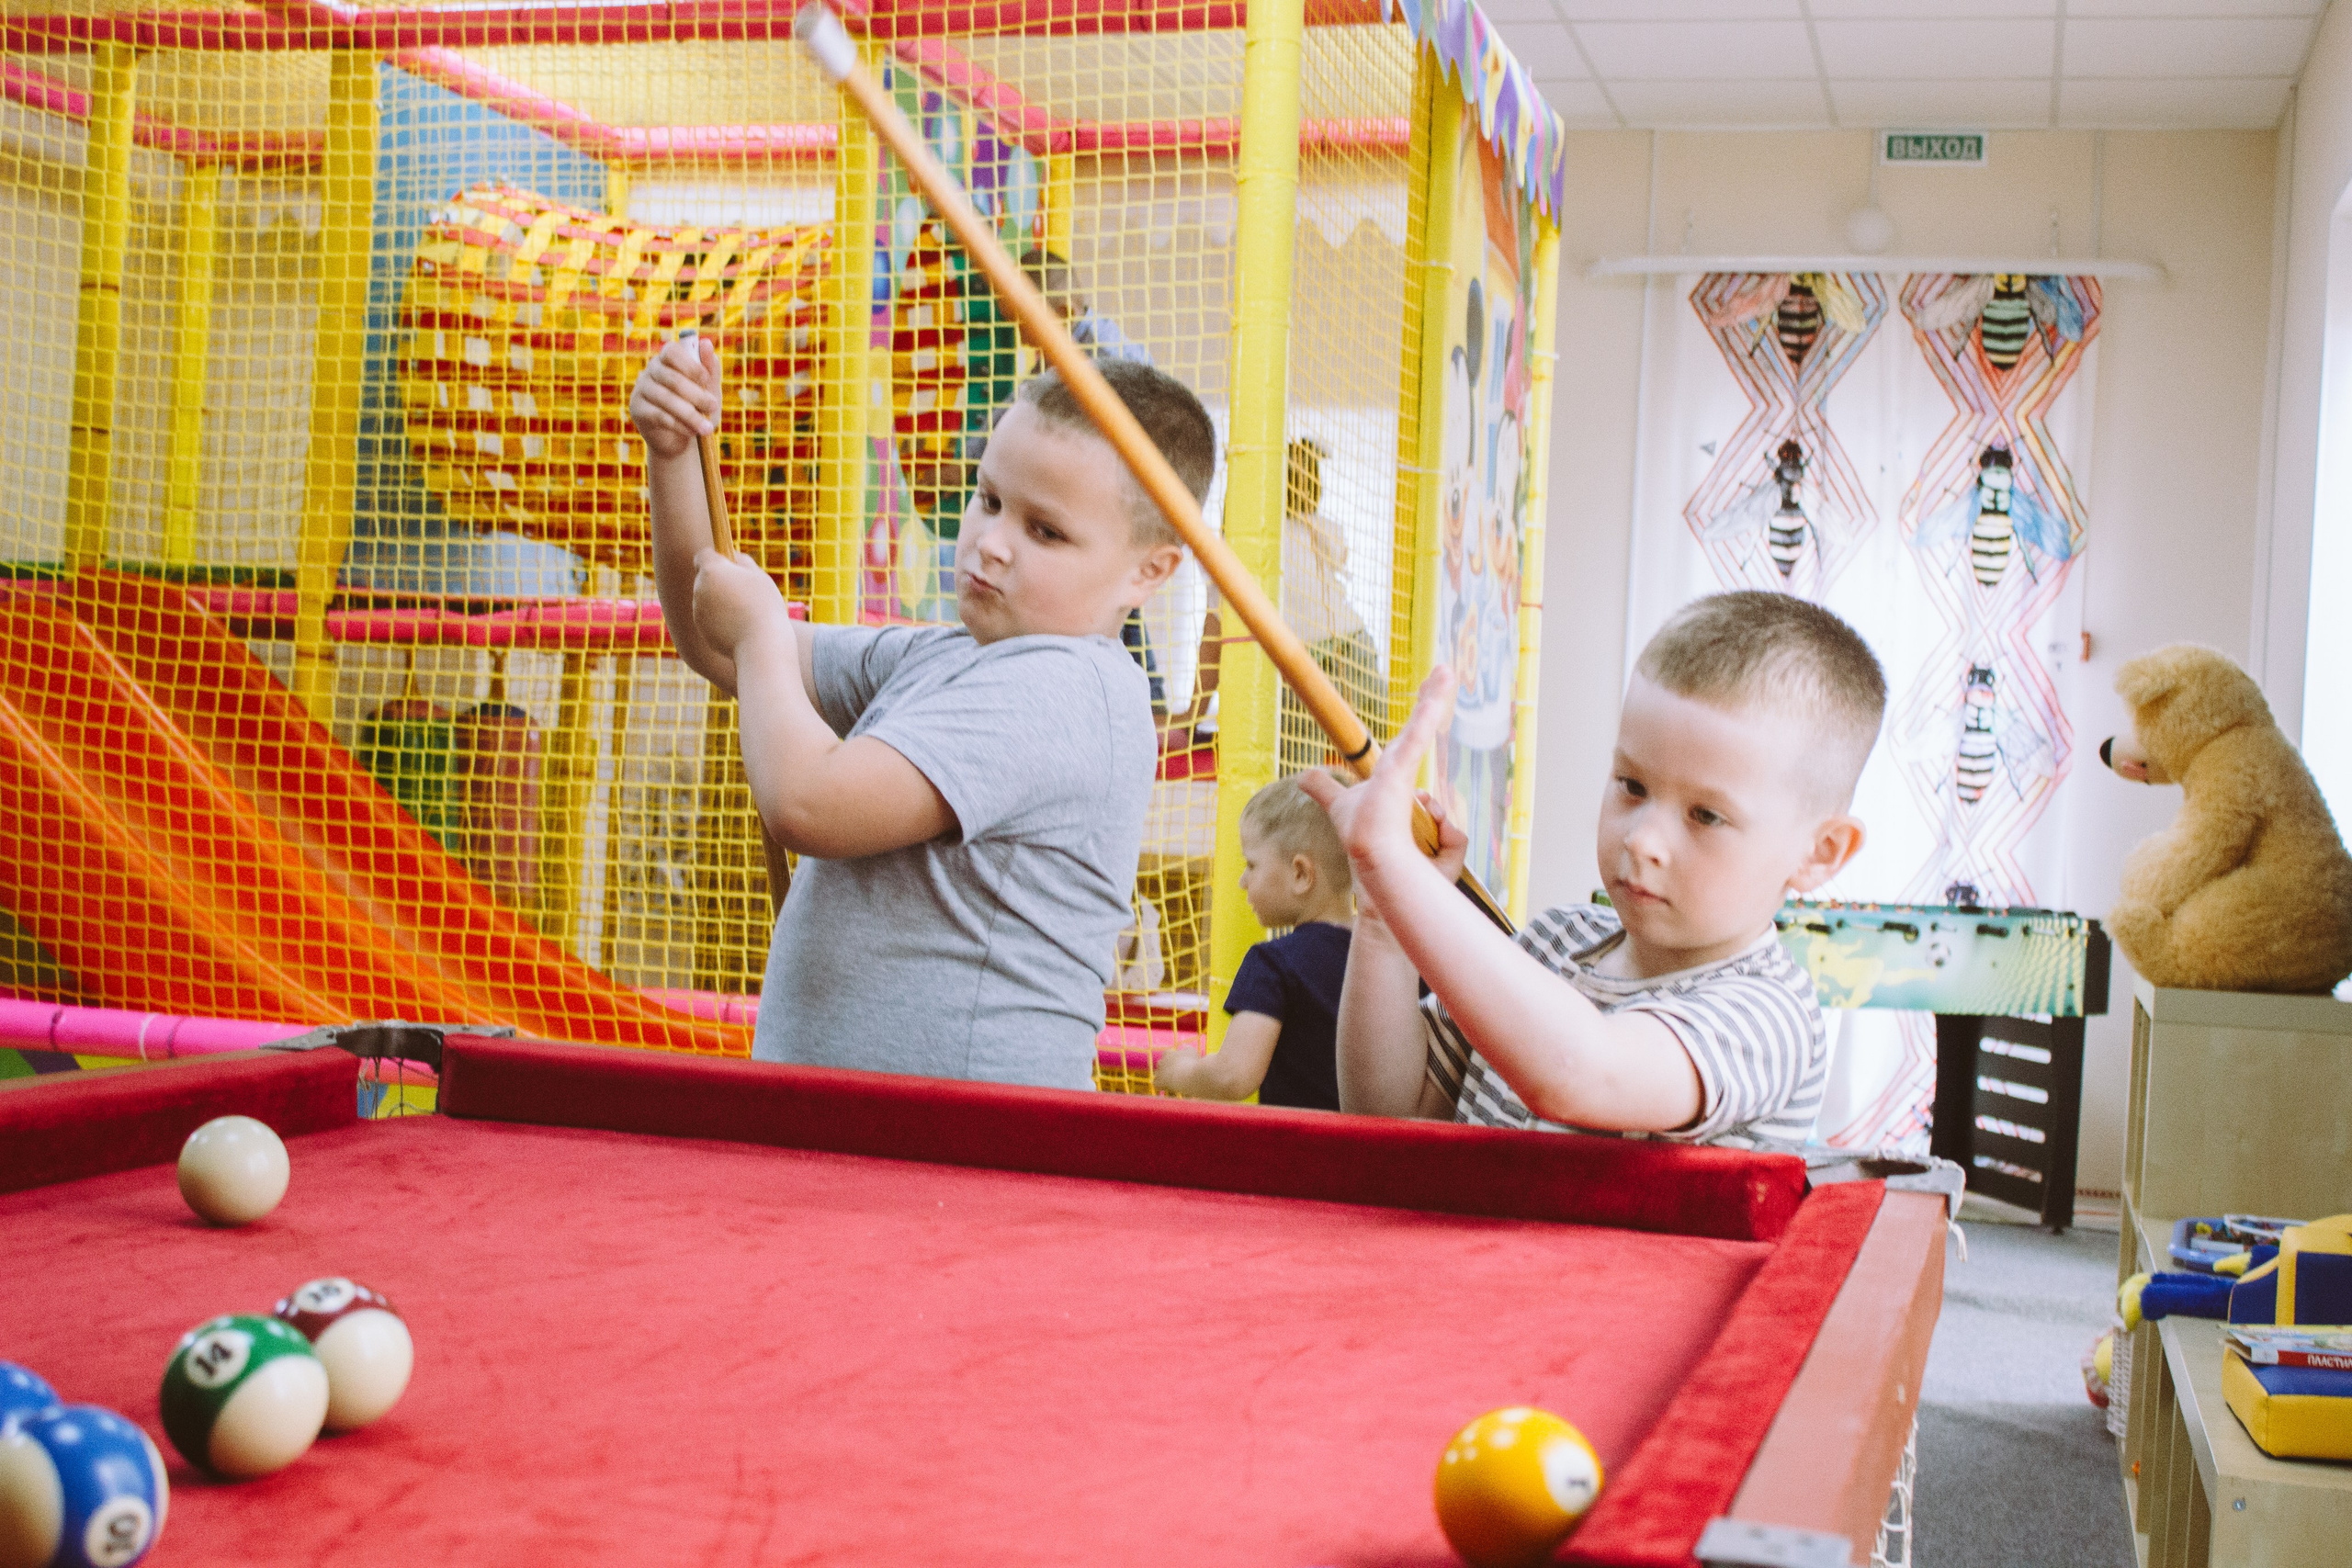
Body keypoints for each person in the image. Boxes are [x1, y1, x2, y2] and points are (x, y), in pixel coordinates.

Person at [630, 339, 1216, 1089]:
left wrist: (761, 633)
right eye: (990, 499)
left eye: (1046, 531)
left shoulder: (1068, 692)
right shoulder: (940, 658)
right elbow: (716, 645)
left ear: (1150, 569)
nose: (992, 543)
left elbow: (811, 803)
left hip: (968, 1153)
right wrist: (675, 455)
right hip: (868, 1139)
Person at [1302, 591, 1884, 1150]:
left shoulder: (1768, 1015)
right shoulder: (1553, 942)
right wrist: (1382, 916)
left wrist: (1398, 867)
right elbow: (1389, 1114)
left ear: (1820, 853)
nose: (1643, 839)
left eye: (1706, 815)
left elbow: (1579, 1073)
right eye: (1632, 785)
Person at [1153, 772, 1353, 1110]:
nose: (1243, 881)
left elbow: (1232, 1076)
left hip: (1297, 1155)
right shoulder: (1387, 962)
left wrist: (1180, 1071)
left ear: (1301, 874)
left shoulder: (1275, 963)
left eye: (1252, 864)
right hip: (1374, 1155)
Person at [1019, 248, 1153, 366]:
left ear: (1064, 314)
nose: (1021, 340)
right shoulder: (1061, 340)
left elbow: (1145, 384)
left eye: (1024, 326)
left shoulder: (1105, 351)